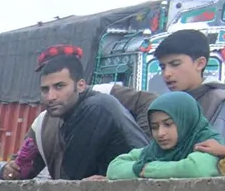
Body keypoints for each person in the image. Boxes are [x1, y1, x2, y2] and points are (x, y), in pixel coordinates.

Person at [34, 46, 145, 181]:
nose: (51, 97)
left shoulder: (94, 109)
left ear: (80, 85)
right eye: (45, 90)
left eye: (59, 86)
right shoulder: (72, 112)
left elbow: (69, 183)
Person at [154, 27, 225, 150]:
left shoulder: (219, 103)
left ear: (200, 63)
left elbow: (222, 159)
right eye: (163, 67)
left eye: (175, 64)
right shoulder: (167, 104)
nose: (167, 73)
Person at [107, 91, 225, 179]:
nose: (160, 133)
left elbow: (195, 169)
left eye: (168, 124)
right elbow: (114, 169)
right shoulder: (153, 151)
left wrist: (147, 170)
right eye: (154, 127)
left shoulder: (210, 143)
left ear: (185, 121)